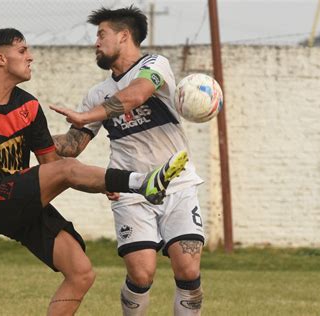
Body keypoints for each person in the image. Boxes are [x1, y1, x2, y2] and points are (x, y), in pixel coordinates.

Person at [0, 28, 189, 316]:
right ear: (1, 59)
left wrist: (103, 183)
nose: (31, 57)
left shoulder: (29, 106)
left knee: (81, 273)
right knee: (72, 171)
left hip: (24, 200)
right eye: (23, 51)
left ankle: (137, 183)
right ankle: (142, 183)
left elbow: (53, 168)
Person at [50, 6, 205, 316]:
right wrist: (26, 137)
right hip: (130, 190)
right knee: (141, 272)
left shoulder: (154, 65)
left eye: (101, 34)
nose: (96, 42)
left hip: (178, 184)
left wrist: (86, 116)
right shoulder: (97, 94)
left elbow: (135, 95)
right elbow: (71, 146)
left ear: (123, 36)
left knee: (187, 269)